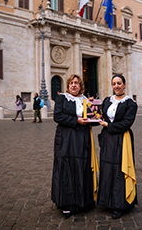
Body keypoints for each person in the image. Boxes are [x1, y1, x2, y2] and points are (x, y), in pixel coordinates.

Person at [51, 74, 98, 219]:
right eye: (71, 83)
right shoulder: (62, 98)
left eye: (77, 83)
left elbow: (94, 119)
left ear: (81, 86)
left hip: (82, 139)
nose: (74, 85)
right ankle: (67, 204)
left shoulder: (86, 100)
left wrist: (95, 109)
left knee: (82, 167)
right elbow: (57, 116)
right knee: (67, 169)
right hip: (66, 139)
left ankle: (83, 202)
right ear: (68, 85)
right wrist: (76, 121)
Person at [98, 74, 138, 219]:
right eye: (114, 83)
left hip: (122, 139)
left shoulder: (130, 104)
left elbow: (126, 123)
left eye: (119, 83)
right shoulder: (107, 101)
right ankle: (107, 201)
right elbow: (101, 116)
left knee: (120, 171)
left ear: (124, 85)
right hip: (108, 140)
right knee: (108, 169)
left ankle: (119, 205)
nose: (116, 86)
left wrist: (108, 125)